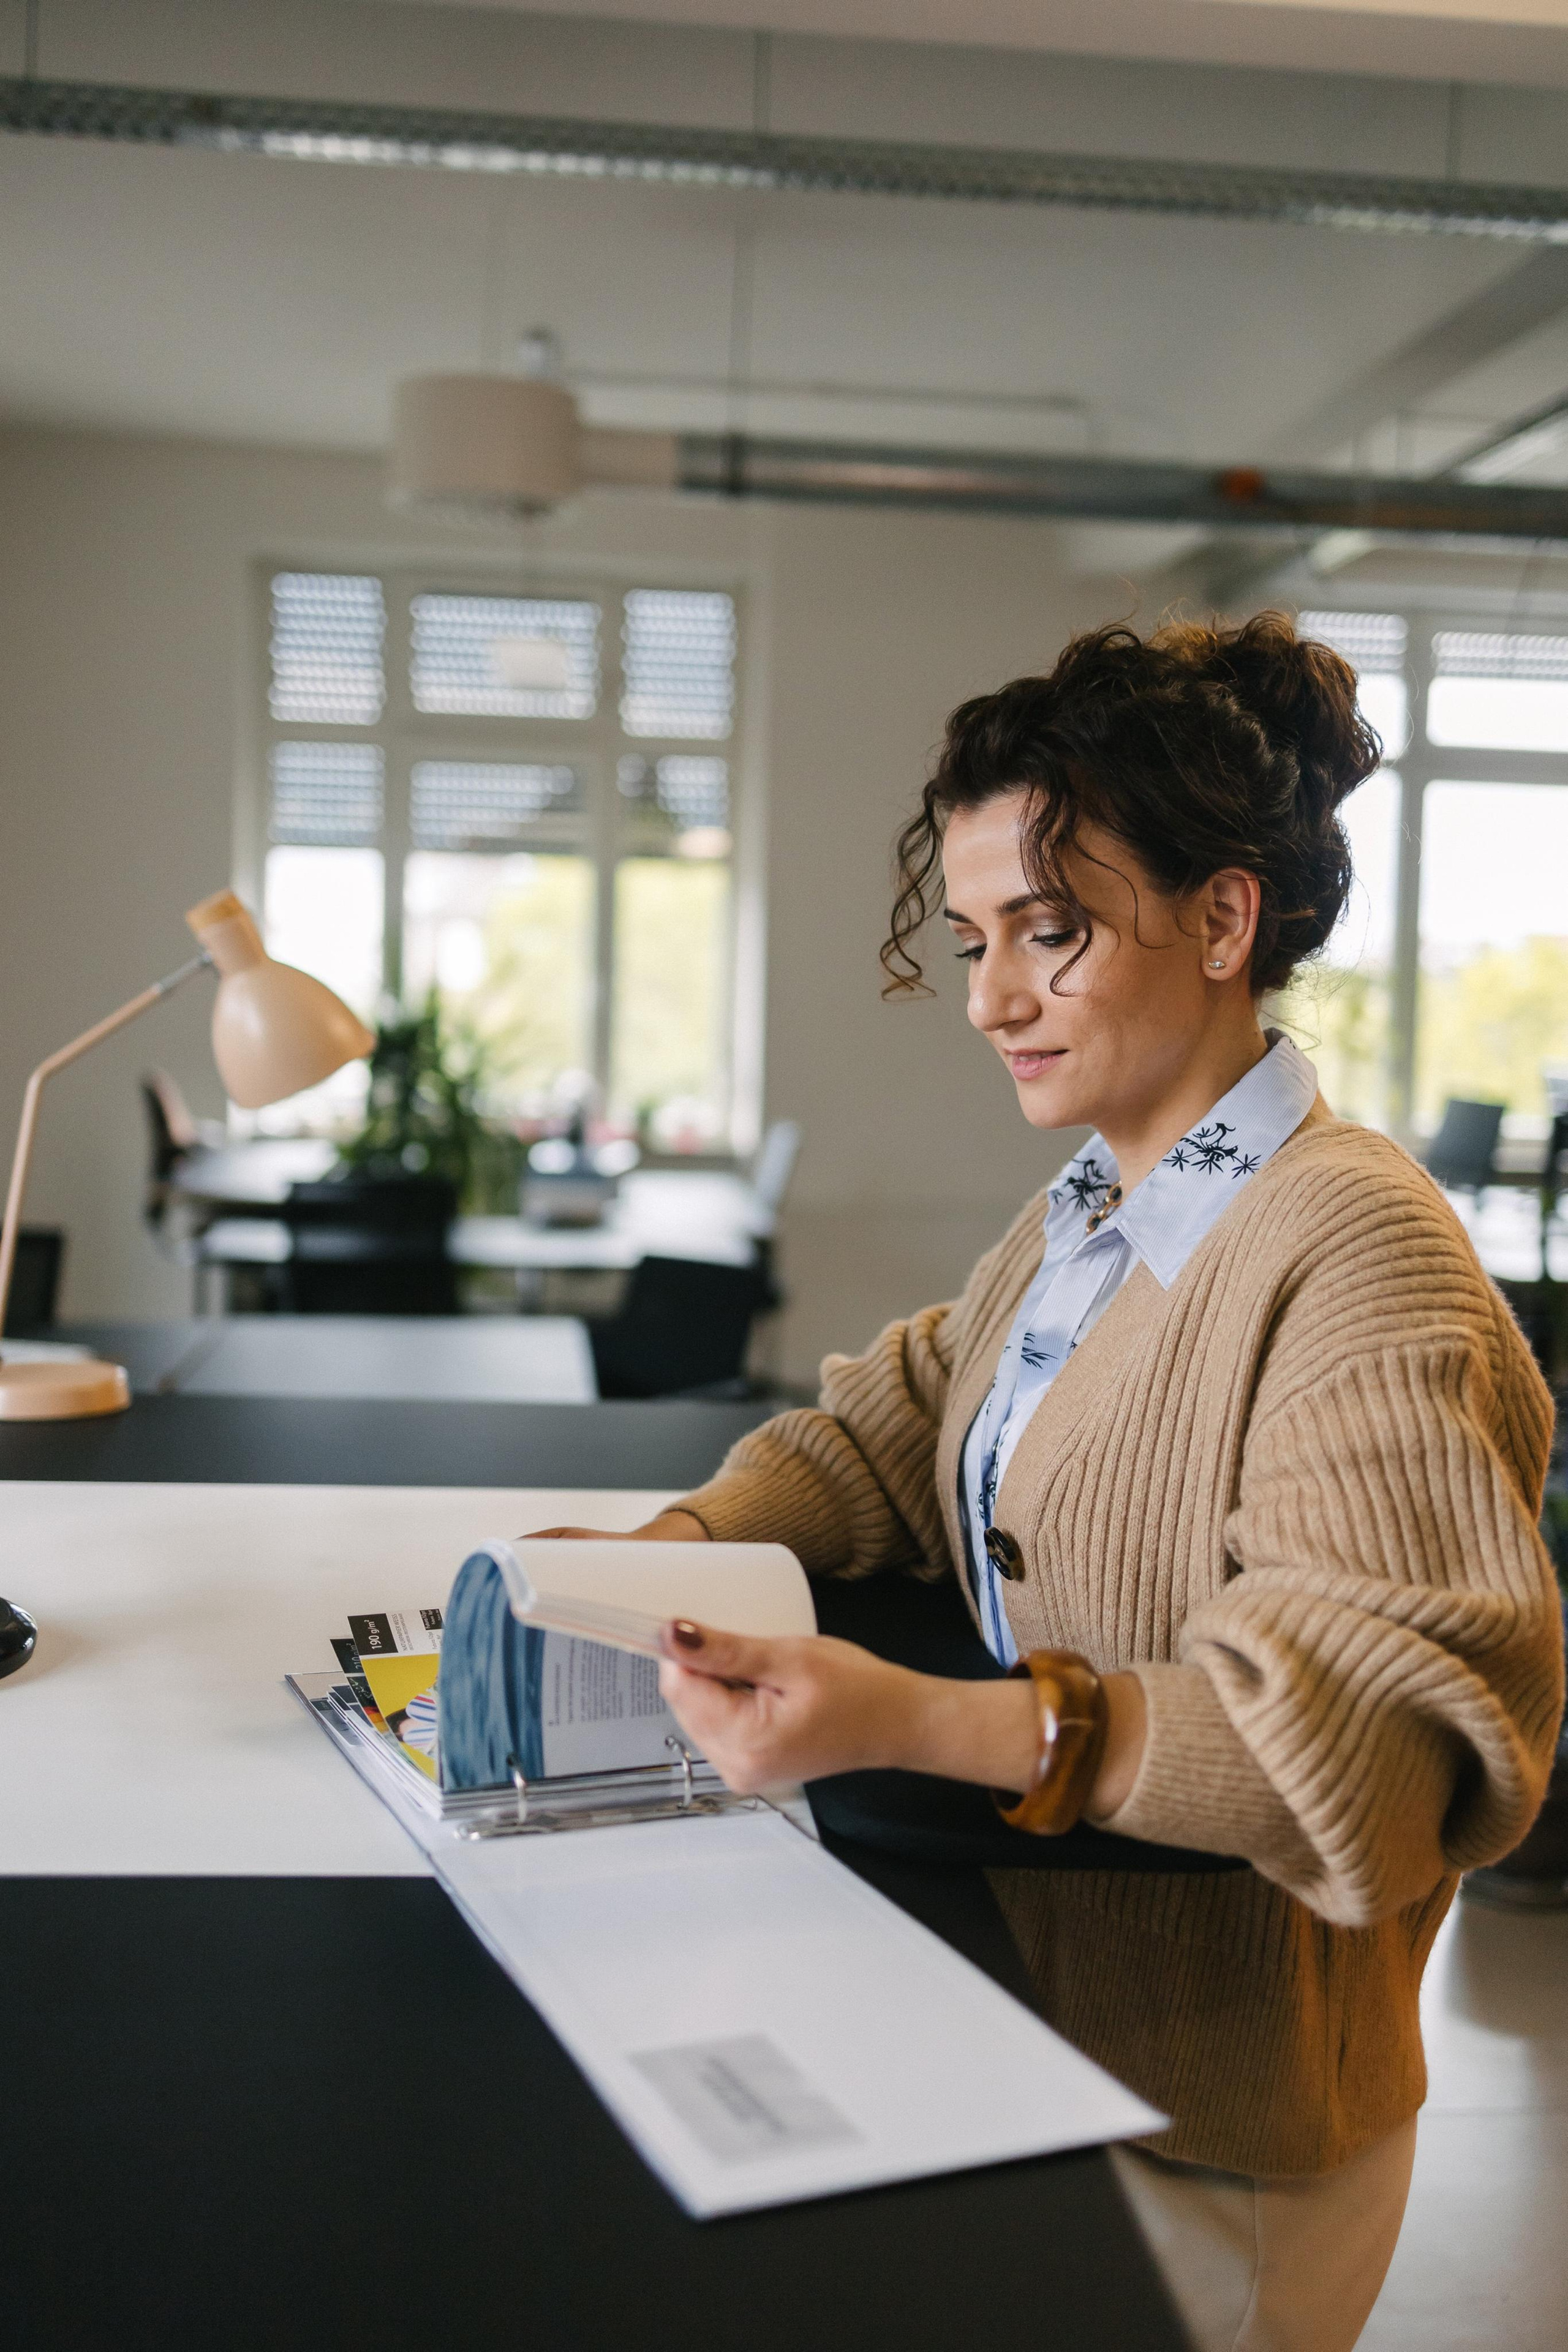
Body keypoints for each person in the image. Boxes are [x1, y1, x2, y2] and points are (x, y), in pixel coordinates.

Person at [535, 613, 1564, 2352]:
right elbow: (902, 1420)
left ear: (1226, 919)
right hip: (1035, 2036)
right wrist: (679, 1547)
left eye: (1052, 933)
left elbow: (1379, 1753)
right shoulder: (1098, 1202)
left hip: (1218, 2127)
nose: (991, 997)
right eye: (974, 938)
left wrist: (912, 1720)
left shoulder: (1361, 1248)